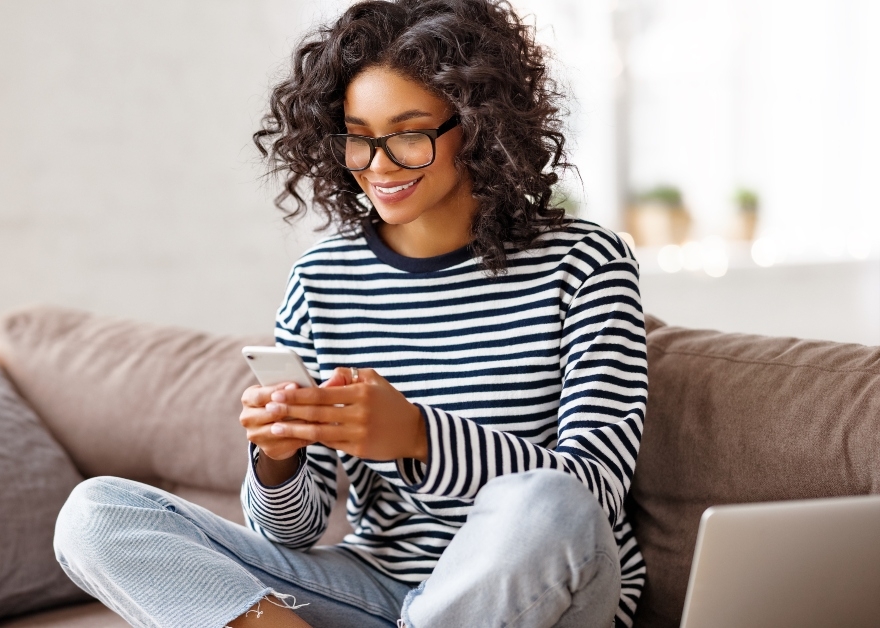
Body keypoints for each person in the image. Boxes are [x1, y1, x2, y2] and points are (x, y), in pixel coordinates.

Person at [53, 1, 648, 626]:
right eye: (357, 137)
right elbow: (294, 533)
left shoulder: (584, 262)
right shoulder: (322, 279)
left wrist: (417, 435)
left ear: (477, 125)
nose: (379, 164)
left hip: (538, 588)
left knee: (548, 500)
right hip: (375, 589)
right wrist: (275, 458)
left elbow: (592, 487)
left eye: (409, 134)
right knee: (97, 515)